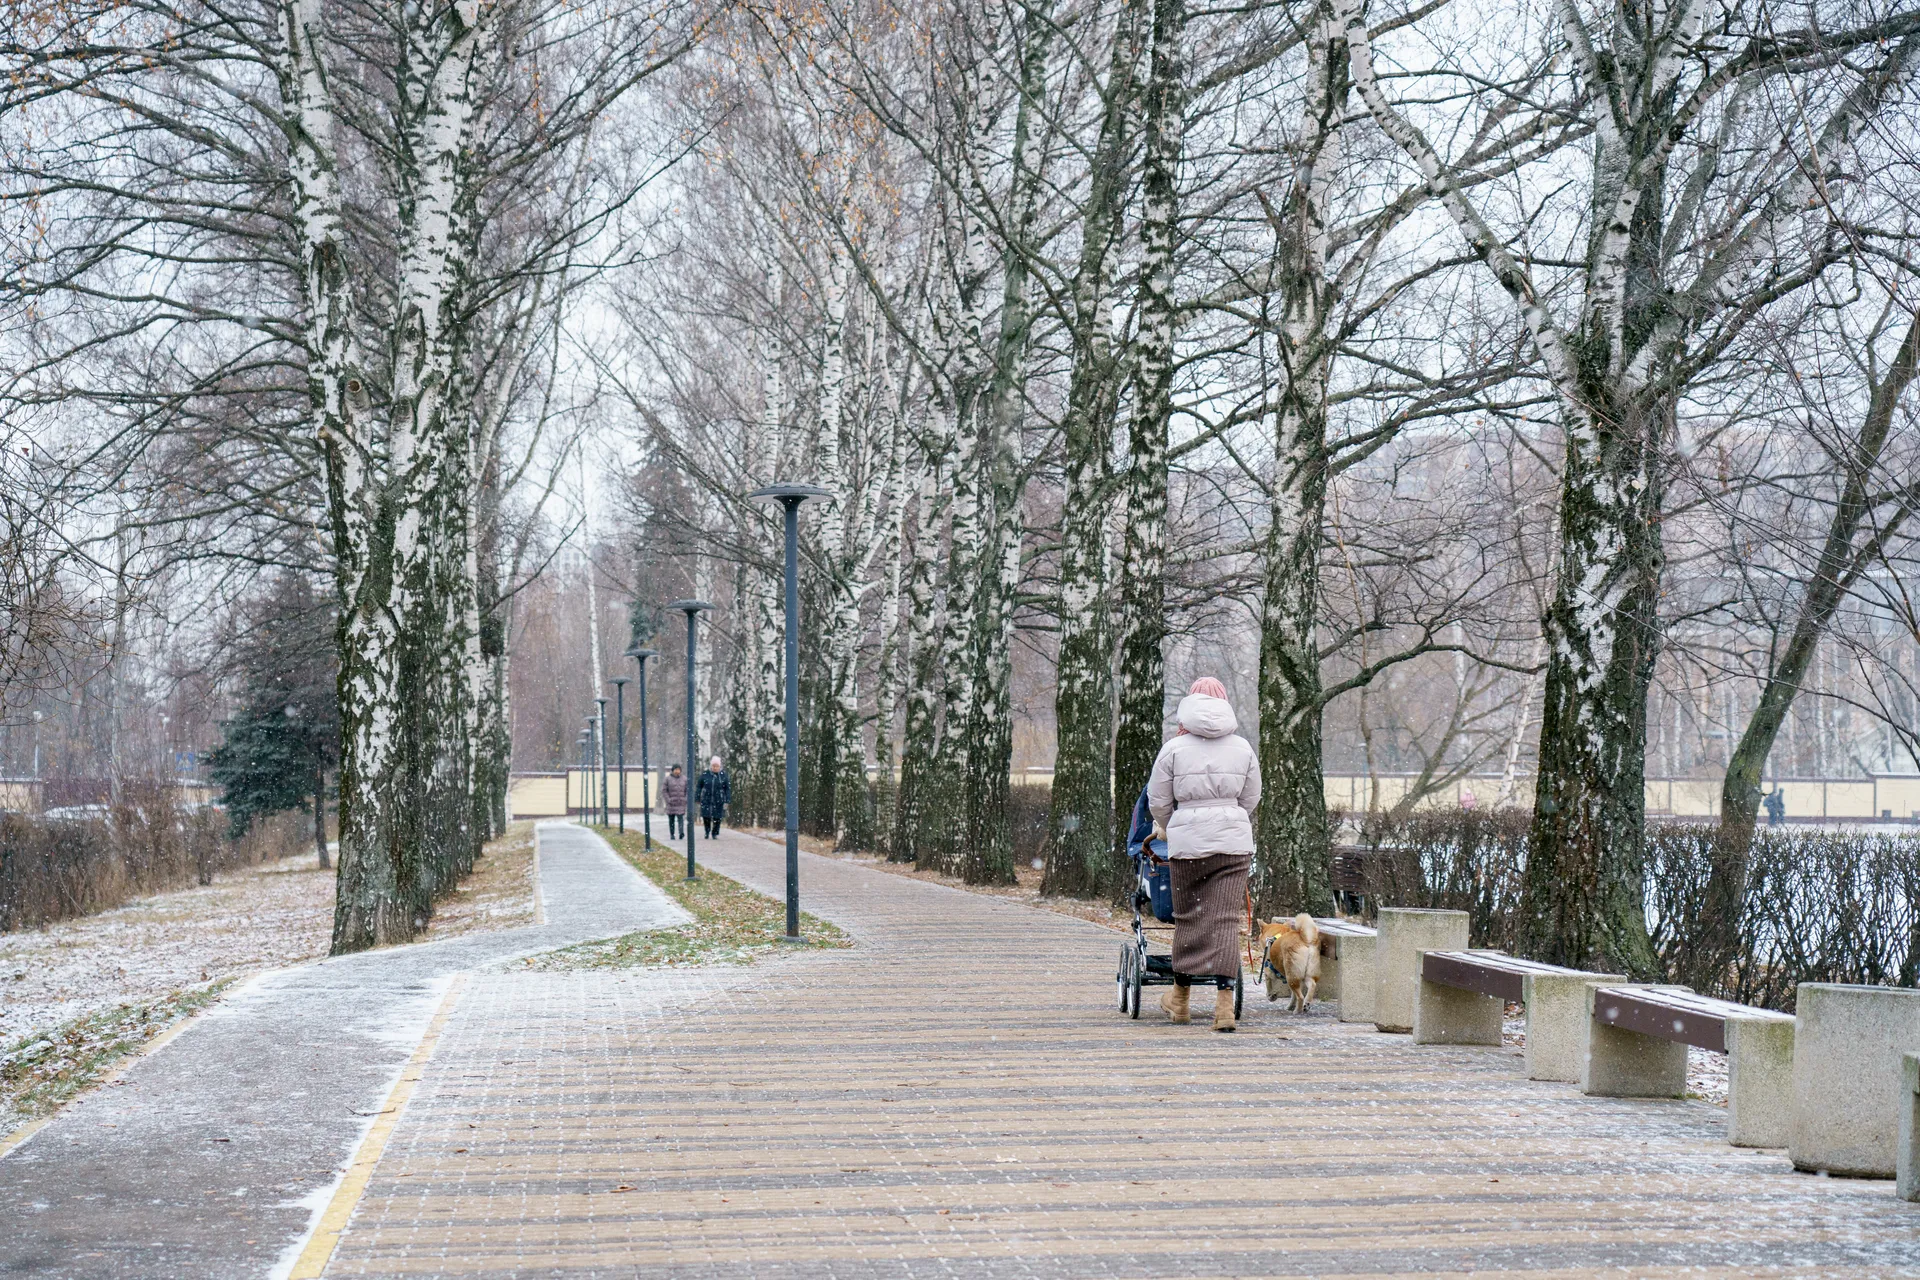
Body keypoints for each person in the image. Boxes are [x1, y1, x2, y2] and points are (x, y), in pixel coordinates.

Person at [1147, 676, 1261, 1032]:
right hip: (1232, 845)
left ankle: (1180, 1000)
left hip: (1188, 846)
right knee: (1224, 920)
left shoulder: (1173, 748)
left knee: (1189, 917)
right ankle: (1224, 1007)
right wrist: (1229, 816)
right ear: (1225, 704)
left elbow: (1158, 800)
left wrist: (1174, 824)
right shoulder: (1242, 747)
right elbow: (1251, 797)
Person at [696, 755, 732, 839]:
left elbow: (727, 788)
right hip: (706, 799)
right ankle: (707, 831)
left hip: (718, 799)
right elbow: (699, 786)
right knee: (706, 817)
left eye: (717, 766)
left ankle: (715, 833)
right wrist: (698, 797)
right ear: (711, 766)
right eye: (714, 766)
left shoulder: (723, 775)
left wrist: (727, 799)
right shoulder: (705, 774)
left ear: (719, 766)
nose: (715, 768)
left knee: (717, 817)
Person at [662, 764, 688, 838]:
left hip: (681, 803)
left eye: (678, 769)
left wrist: (685, 799)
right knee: (671, 820)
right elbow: (664, 791)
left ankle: (681, 833)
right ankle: (672, 834)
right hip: (671, 803)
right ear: (672, 770)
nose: (677, 771)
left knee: (680, 819)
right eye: (675, 769)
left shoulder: (684, 779)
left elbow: (687, 790)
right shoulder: (667, 779)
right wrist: (668, 799)